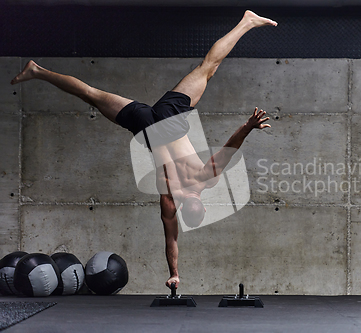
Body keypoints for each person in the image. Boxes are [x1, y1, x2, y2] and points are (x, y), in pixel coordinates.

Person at [11, 10, 277, 289]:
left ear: (190, 209)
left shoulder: (173, 200)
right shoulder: (198, 183)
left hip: (156, 123)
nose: (195, 207)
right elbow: (228, 150)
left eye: (192, 211)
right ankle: (247, 22)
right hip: (163, 123)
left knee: (95, 93)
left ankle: (38, 71)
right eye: (198, 209)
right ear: (202, 208)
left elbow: (171, 239)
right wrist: (247, 126)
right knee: (207, 68)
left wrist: (174, 272)